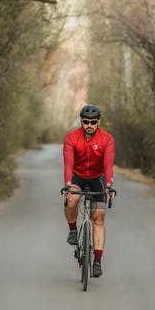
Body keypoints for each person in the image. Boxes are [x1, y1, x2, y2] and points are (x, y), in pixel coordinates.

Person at [62, 104, 115, 278]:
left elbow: (108, 164)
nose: (90, 125)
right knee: (71, 199)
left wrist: (109, 184)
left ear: (98, 122)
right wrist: (68, 183)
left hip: (97, 178)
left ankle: (97, 262)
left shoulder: (107, 139)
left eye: (93, 121)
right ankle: (72, 229)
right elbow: (68, 163)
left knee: (98, 218)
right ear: (81, 121)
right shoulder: (71, 138)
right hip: (77, 176)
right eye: (86, 122)